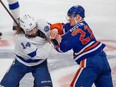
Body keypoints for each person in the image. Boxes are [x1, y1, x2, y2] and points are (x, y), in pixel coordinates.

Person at [50, 5, 113, 87]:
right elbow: (63, 26)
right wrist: (55, 29)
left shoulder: (75, 31)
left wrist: (52, 40)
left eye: (71, 16)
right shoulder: (83, 24)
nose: (69, 19)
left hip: (91, 62)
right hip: (103, 60)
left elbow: (62, 48)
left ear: (78, 17)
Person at [0, 14, 58, 87]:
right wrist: (53, 42)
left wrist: (56, 28)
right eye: (29, 31)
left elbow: (56, 27)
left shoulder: (42, 23)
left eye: (34, 28)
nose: (34, 32)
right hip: (21, 63)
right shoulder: (21, 38)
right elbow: (38, 55)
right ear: (23, 30)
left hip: (39, 64)